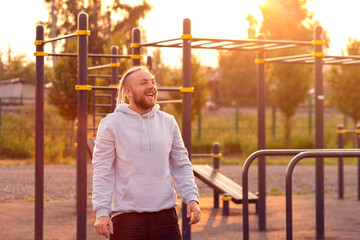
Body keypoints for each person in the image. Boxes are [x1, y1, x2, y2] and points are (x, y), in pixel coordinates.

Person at [92, 66, 201, 239]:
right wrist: (102, 211)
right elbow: (103, 170)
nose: (151, 86)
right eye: (144, 82)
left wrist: (192, 198)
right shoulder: (111, 123)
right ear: (128, 91)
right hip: (126, 218)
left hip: (165, 217)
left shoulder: (168, 122)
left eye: (153, 82)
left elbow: (182, 164)